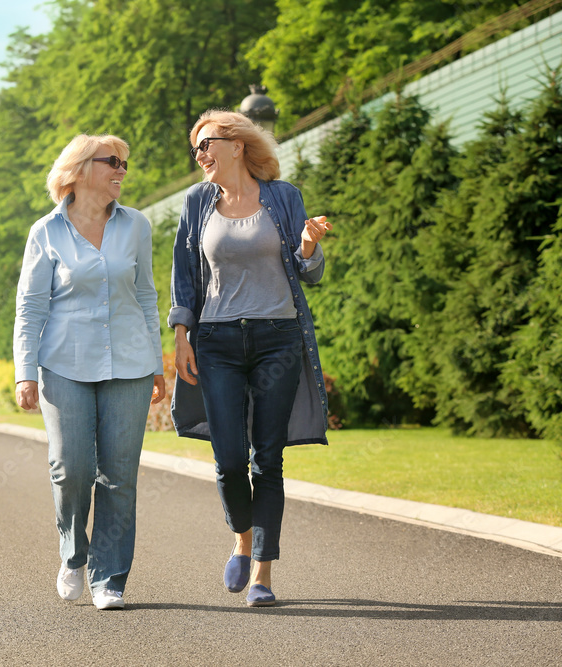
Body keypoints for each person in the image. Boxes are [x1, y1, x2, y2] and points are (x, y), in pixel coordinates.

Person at [168, 110, 333, 607]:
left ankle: (262, 572)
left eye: (206, 145)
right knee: (228, 458)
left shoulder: (283, 197)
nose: (200, 156)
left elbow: (308, 271)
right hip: (216, 341)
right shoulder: (197, 202)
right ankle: (241, 534)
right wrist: (181, 336)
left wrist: (308, 246)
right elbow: (184, 274)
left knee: (268, 456)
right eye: (196, 148)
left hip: (277, 340)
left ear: (236, 145)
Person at [14, 134, 166, 610]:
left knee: (119, 475)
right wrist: (25, 372)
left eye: (125, 162)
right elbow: (31, 306)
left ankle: (109, 577)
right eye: (112, 162)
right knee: (71, 469)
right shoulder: (46, 231)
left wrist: (156, 360)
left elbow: (146, 295)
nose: (122, 169)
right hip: (64, 364)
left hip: (130, 364)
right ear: (79, 170)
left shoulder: (135, 225)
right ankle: (73, 553)